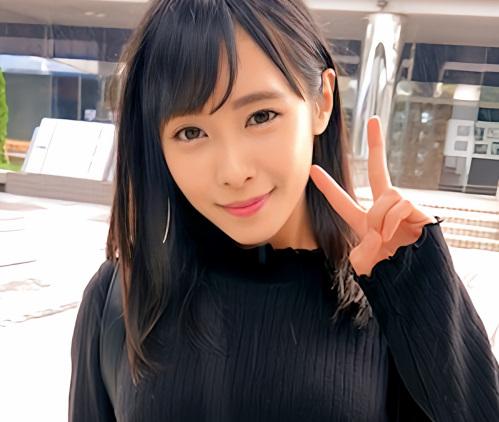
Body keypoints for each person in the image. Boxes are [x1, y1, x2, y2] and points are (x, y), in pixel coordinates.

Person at [68, 0, 499, 420]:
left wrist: (421, 291)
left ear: (321, 102)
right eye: (191, 132)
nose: (233, 172)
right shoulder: (118, 296)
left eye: (261, 116)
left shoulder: (389, 289)